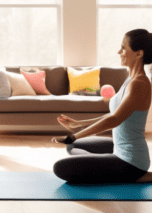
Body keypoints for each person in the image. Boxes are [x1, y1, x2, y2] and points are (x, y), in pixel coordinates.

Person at [52, 29, 152, 184]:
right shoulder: (130, 79)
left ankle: (135, 175)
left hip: (131, 161)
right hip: (119, 148)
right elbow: (116, 113)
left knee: (60, 168)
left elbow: (115, 119)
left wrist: (72, 136)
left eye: (124, 48)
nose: (119, 52)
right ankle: (109, 167)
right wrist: (78, 124)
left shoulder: (139, 84)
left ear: (139, 54)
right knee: (73, 146)